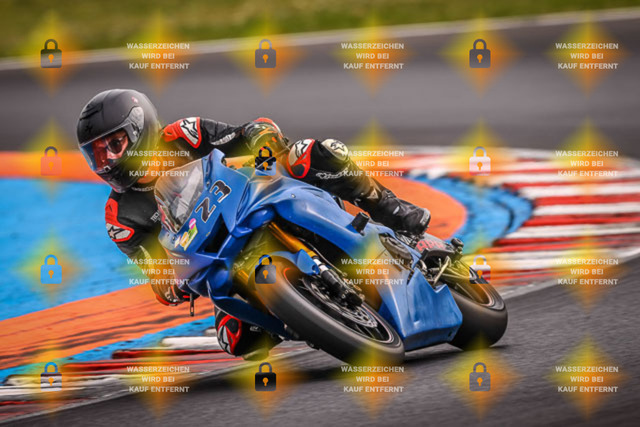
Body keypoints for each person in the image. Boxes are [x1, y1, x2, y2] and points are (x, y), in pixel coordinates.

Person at [76, 88, 429, 359]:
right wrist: (171, 285)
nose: (106, 161)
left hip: (259, 199)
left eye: (114, 145)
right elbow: (155, 271)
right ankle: (306, 315)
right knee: (237, 340)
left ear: (140, 130)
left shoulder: (185, 134)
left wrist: (263, 138)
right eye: (97, 153)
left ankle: (392, 210)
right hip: (221, 259)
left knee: (308, 154)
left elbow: (246, 132)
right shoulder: (120, 217)